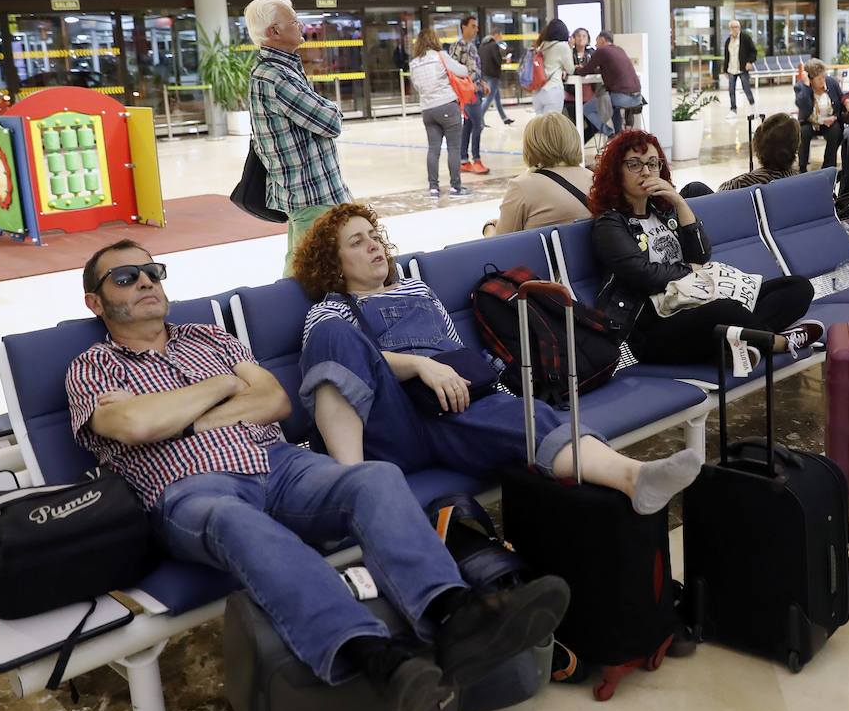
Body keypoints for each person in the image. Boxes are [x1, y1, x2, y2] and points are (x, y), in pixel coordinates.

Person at [65, 240, 568, 711]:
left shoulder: (210, 338)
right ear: (96, 301)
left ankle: (454, 616)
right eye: (126, 277)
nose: (147, 282)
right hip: (191, 490)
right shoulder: (91, 367)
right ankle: (371, 655)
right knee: (234, 520)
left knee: (373, 478)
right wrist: (222, 386)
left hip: (281, 465)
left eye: (153, 271)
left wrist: (178, 415)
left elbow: (275, 401)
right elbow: (134, 427)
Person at [292, 203, 704, 516]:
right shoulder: (331, 312)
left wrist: (473, 380)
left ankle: (633, 478)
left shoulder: (417, 290)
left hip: (449, 407)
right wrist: (419, 365)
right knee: (333, 338)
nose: (374, 245)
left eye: (373, 235)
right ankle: (355, 487)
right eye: (357, 242)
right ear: (334, 264)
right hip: (394, 422)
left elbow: (457, 351)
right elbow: (337, 367)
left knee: (528, 417)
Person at [587, 129, 823, 367]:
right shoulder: (610, 222)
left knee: (797, 288)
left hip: (697, 301)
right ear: (616, 172)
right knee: (726, 310)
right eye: (634, 165)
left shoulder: (662, 211)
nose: (646, 172)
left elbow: (701, 255)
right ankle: (778, 342)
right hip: (657, 329)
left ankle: (739, 342)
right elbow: (642, 273)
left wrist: (679, 202)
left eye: (652, 163)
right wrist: (690, 270)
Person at [244, 0, 352, 277]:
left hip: (310, 191)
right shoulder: (276, 76)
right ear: (274, 32)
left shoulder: (283, 69)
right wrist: (332, 108)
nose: (300, 25)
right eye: (293, 20)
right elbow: (330, 122)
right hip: (311, 195)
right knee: (308, 276)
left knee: (302, 267)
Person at [489, 111, 593, 235]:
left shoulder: (522, 186)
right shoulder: (594, 179)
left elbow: (501, 246)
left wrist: (489, 228)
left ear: (530, 145)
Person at [409, 28, 474, 199]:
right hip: (447, 105)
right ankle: (455, 187)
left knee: (433, 149)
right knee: (453, 147)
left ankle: (433, 188)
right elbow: (463, 71)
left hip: (427, 110)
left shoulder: (414, 63)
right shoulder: (440, 56)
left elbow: (417, 86)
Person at [681, 113, 800, 197]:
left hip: (734, 227)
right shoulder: (798, 181)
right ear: (796, 148)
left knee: (694, 189)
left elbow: (717, 204)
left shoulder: (741, 184)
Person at [576, 31, 643, 135]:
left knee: (586, 109)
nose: (595, 45)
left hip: (623, 97)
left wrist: (577, 69)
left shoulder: (601, 51)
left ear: (602, 40)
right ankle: (619, 135)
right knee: (613, 106)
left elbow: (586, 71)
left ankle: (609, 133)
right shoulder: (619, 49)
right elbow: (606, 69)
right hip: (638, 97)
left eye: (597, 42)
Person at [451, 16, 489, 175]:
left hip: (477, 90)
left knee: (469, 125)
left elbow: (476, 69)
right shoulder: (457, 46)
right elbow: (453, 70)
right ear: (464, 27)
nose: (476, 29)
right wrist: (464, 88)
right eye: (473, 26)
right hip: (468, 94)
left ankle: (463, 160)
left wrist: (482, 83)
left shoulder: (473, 46)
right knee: (478, 124)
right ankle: (477, 159)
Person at [795, 59, 844, 171]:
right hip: (809, 121)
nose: (823, 80)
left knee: (836, 130)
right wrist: (807, 87)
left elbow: (841, 102)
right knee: (803, 132)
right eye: (819, 78)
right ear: (810, 79)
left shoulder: (832, 82)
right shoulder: (800, 87)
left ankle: (828, 166)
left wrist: (835, 117)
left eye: (823, 76)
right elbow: (804, 109)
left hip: (830, 121)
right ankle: (802, 167)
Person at [532, 19, 574, 116]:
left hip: (538, 91)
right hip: (553, 89)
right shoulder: (562, 46)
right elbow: (570, 69)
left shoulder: (542, 45)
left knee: (540, 126)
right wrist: (570, 48)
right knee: (551, 126)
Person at [477, 28, 513, 126]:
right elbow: (497, 60)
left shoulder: (482, 45)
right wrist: (505, 60)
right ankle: (479, 119)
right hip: (493, 75)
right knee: (489, 98)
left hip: (485, 74)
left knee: (497, 98)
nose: (500, 38)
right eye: (500, 35)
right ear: (496, 34)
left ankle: (504, 118)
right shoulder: (493, 45)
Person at [723, 19, 757, 114]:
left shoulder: (745, 38)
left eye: (737, 27)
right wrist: (725, 69)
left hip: (742, 68)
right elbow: (726, 56)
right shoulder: (728, 41)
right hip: (731, 69)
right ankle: (733, 109)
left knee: (746, 88)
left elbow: (753, 51)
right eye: (733, 27)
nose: (735, 29)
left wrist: (749, 62)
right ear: (730, 28)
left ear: (739, 28)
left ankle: (753, 105)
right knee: (731, 90)